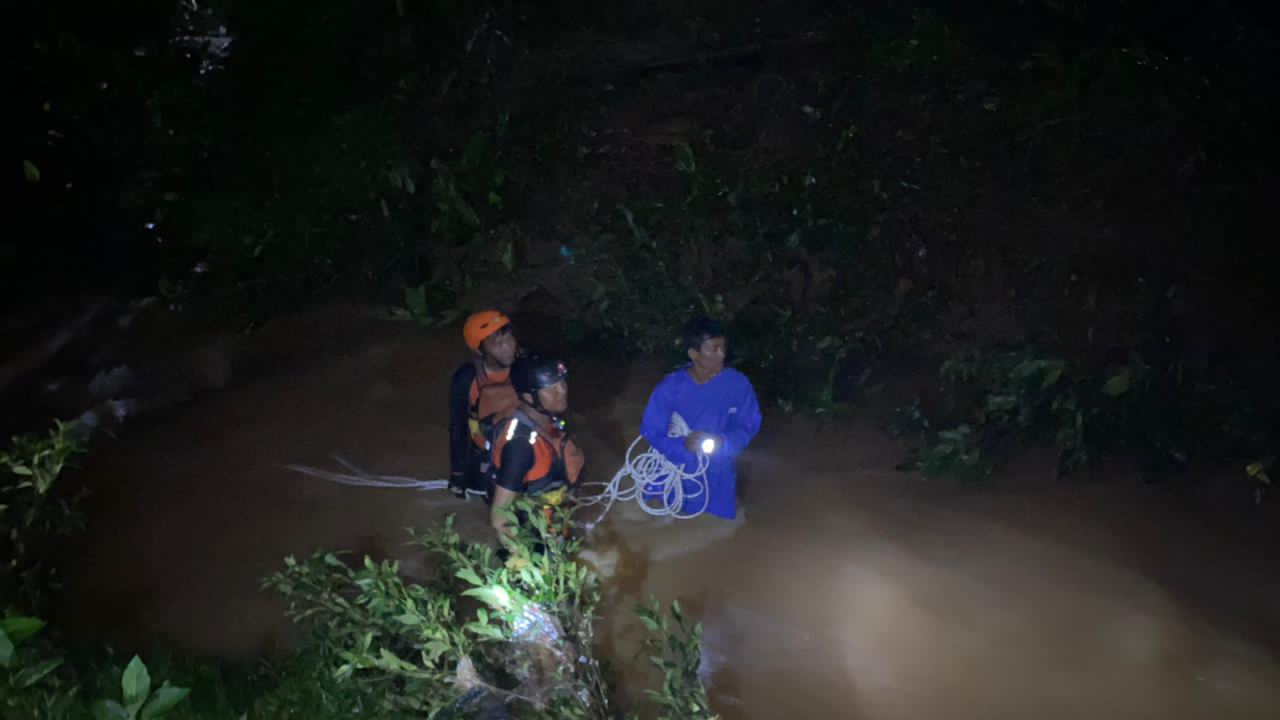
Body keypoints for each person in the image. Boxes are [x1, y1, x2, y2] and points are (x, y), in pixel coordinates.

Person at [639, 317, 761, 520]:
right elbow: (651, 430)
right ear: (694, 354)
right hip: (672, 475)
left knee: (720, 531)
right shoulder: (670, 387)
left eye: (723, 347)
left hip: (717, 475)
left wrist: (724, 442)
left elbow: (748, 424)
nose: (722, 355)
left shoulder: (738, 384)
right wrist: (682, 445)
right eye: (714, 349)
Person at [488, 355, 584, 547]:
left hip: (552, 521)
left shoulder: (551, 421)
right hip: (530, 535)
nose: (562, 391)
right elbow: (499, 519)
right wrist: (524, 563)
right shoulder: (520, 445)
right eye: (552, 388)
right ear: (528, 397)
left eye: (562, 383)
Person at [448, 310, 520, 500]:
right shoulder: (466, 379)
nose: (508, 347)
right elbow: (458, 427)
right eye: (498, 344)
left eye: (509, 338)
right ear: (480, 351)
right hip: (486, 451)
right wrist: (458, 474)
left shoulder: (526, 368)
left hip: (524, 446)